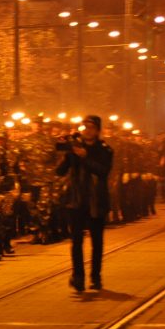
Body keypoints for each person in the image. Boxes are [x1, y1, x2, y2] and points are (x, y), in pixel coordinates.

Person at [56, 115, 113, 292]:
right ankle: (78, 276)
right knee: (76, 241)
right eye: (85, 127)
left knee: (97, 242)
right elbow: (60, 171)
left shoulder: (104, 150)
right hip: (76, 200)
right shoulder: (75, 148)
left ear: (97, 130)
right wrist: (67, 154)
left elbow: (103, 171)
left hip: (96, 201)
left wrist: (85, 157)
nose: (87, 131)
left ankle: (96, 276)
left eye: (91, 128)